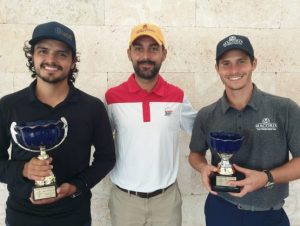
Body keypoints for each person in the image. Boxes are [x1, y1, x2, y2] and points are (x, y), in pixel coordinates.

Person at [0, 21, 116, 226]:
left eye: (61, 53)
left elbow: (106, 158)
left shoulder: (92, 107)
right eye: (43, 51)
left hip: (74, 216)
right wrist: (23, 170)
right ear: (32, 56)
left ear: (73, 61)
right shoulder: (8, 105)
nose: (51, 59)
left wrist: (77, 186)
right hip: (21, 217)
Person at [189, 34, 300, 226]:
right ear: (217, 68)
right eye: (226, 63)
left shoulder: (285, 109)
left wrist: (267, 177)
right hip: (221, 211)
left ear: (254, 63)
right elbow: (195, 154)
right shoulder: (206, 115)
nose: (234, 70)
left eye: (241, 61)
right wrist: (202, 167)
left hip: (270, 216)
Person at [105, 23, 196, 226]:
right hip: (125, 202)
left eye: (153, 49)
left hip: (167, 201)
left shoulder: (177, 97)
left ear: (164, 54)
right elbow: (98, 141)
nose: (146, 56)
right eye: (139, 48)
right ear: (129, 53)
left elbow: (202, 130)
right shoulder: (112, 98)